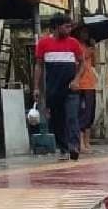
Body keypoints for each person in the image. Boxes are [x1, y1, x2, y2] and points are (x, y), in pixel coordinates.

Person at [34, 13, 85, 161]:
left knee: (72, 117)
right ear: (56, 27)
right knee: (57, 120)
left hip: (71, 88)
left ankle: (74, 146)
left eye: (70, 26)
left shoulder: (74, 43)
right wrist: (36, 87)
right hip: (53, 89)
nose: (69, 29)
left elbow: (82, 63)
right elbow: (38, 66)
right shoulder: (43, 44)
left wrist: (76, 79)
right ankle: (63, 148)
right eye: (66, 26)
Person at [73, 25, 98, 154]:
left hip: (90, 83)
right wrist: (91, 49)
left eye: (87, 32)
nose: (86, 35)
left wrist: (95, 49)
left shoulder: (89, 46)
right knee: (82, 114)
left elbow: (94, 62)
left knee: (90, 114)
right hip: (81, 85)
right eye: (83, 32)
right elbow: (82, 57)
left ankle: (87, 142)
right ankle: (80, 143)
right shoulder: (76, 45)